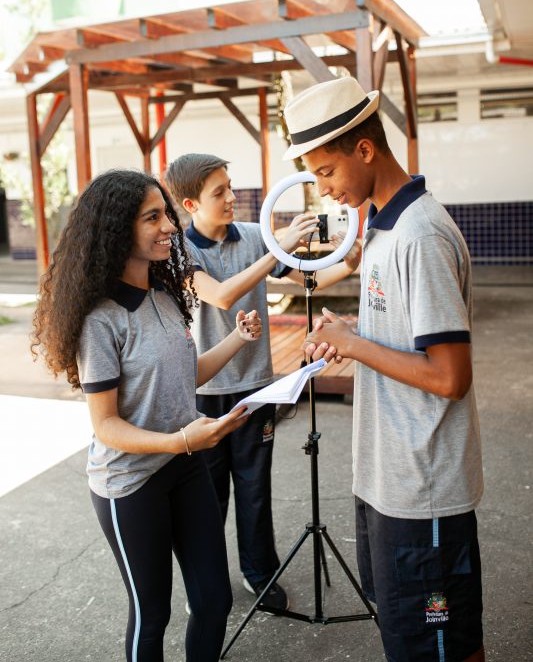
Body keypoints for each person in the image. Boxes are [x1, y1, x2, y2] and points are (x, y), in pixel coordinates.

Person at [282, 76, 484, 662]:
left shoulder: (418, 235)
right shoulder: (382, 226)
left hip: (423, 489)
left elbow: (450, 376)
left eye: (326, 173)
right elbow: (398, 329)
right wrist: (351, 335)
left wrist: (355, 343)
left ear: (364, 149)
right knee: (413, 639)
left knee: (438, 647)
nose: (324, 190)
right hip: (386, 480)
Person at [32, 169, 264, 662]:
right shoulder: (100, 319)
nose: (170, 227)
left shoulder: (165, 294)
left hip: (184, 468)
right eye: (152, 217)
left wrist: (237, 340)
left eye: (168, 215)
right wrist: (183, 439)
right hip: (130, 483)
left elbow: (184, 376)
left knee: (214, 601)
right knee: (151, 613)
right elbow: (106, 426)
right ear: (118, 228)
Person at [165, 153, 361, 611]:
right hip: (204, 392)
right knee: (207, 500)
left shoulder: (254, 235)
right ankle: (205, 584)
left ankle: (259, 573)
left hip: (257, 386)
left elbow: (305, 279)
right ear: (191, 204)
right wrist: (276, 248)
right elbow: (221, 295)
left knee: (255, 489)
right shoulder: (181, 251)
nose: (233, 197)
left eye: (231, 186)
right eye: (220, 192)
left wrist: (347, 262)